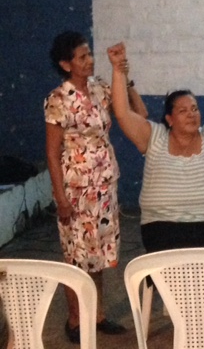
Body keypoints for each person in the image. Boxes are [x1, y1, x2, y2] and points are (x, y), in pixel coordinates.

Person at [107, 42, 204, 252]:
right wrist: (117, 70)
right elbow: (123, 113)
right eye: (183, 111)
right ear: (169, 119)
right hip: (161, 229)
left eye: (195, 109)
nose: (191, 114)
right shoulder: (154, 137)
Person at [45, 31, 147, 344]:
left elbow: (139, 114)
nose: (89, 61)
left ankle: (98, 315)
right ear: (66, 64)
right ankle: (75, 319)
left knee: (98, 254)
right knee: (76, 255)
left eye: (90, 54)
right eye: (82, 57)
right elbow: (52, 152)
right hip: (75, 188)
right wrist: (60, 197)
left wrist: (125, 77)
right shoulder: (58, 99)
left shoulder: (101, 87)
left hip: (104, 183)